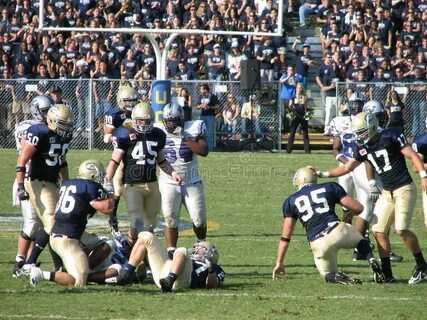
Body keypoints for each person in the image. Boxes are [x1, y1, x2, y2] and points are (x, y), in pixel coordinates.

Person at [315, 112, 427, 284]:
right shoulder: (364, 148)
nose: (360, 136)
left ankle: (422, 266)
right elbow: (347, 168)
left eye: (362, 132)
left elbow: (412, 155)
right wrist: (321, 173)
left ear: (373, 127)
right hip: (386, 192)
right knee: (378, 230)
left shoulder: (391, 135)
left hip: (404, 188)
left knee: (401, 229)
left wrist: (423, 175)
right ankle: (387, 274)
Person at [272, 167, 385, 284]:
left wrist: (279, 263)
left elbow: (285, 237)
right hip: (337, 230)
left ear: (301, 180)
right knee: (360, 240)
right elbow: (358, 208)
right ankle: (371, 259)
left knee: (327, 274)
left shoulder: (291, 201)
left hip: (318, 242)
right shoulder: (330, 186)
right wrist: (348, 217)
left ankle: (340, 278)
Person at [104, 102, 182, 244]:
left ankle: (145, 253)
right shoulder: (124, 134)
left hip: (152, 185)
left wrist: (173, 173)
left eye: (147, 121)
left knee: (151, 224)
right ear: (134, 119)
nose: (144, 124)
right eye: (140, 120)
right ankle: (132, 251)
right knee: (136, 223)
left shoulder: (158, 135)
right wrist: (107, 180)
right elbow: (114, 161)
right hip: (132, 185)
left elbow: (162, 161)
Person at [29, 159, 114, 287]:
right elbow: (108, 209)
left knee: (108, 244)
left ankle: (82, 264)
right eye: (99, 175)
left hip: (65, 233)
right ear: (92, 175)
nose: (101, 179)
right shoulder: (90, 186)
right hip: (67, 240)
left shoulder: (68, 183)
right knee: (78, 281)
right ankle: (41, 274)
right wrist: (111, 193)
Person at [15, 104, 74, 276]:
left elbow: (61, 161)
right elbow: (22, 160)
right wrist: (20, 186)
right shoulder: (40, 132)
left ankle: (57, 266)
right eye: (63, 123)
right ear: (52, 120)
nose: (67, 127)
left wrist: (67, 183)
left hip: (52, 183)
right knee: (50, 223)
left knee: (56, 223)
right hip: (37, 182)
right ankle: (29, 263)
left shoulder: (63, 137)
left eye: (68, 124)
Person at [11, 95, 55, 277]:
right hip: (28, 176)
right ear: (37, 110)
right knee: (32, 223)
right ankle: (19, 262)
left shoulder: (48, 127)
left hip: (44, 178)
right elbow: (24, 153)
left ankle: (29, 263)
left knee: (44, 223)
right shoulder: (28, 127)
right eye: (45, 111)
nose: (48, 114)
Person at [159, 103, 209, 259]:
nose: (170, 124)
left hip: (192, 181)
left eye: (173, 120)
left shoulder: (193, 127)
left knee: (199, 220)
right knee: (170, 218)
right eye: (167, 120)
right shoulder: (158, 131)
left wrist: (185, 137)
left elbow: (203, 151)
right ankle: (171, 252)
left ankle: (201, 244)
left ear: (181, 120)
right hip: (167, 181)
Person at [106, 231, 225, 292]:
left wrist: (210, 270)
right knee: (146, 237)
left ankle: (169, 280)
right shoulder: (188, 257)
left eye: (202, 249)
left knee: (181, 250)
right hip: (164, 274)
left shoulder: (215, 268)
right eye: (197, 248)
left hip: (182, 281)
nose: (197, 250)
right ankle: (126, 274)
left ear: (211, 254)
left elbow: (211, 286)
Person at [103, 86, 138, 236]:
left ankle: (138, 222)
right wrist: (123, 135)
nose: (130, 104)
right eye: (127, 101)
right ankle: (113, 220)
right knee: (117, 190)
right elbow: (106, 137)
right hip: (122, 154)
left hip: (137, 155)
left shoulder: (139, 111)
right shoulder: (114, 114)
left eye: (132, 101)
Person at [286, 83, 310, 154]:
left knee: (305, 133)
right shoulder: (293, 97)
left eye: (301, 88)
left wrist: (307, 116)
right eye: (298, 88)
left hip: (302, 116)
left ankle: (307, 150)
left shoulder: (305, 97)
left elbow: (306, 107)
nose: (300, 89)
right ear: (296, 88)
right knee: (292, 133)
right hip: (295, 116)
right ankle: (288, 150)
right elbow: (290, 106)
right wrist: (291, 114)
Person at [196, 84, 219, 151]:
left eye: (201, 89)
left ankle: (210, 149)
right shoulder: (201, 97)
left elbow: (217, 106)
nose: (200, 90)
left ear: (205, 90)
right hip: (202, 116)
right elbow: (197, 106)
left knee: (209, 133)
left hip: (210, 117)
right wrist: (201, 105)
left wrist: (209, 107)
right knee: (202, 133)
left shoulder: (212, 96)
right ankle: (203, 148)